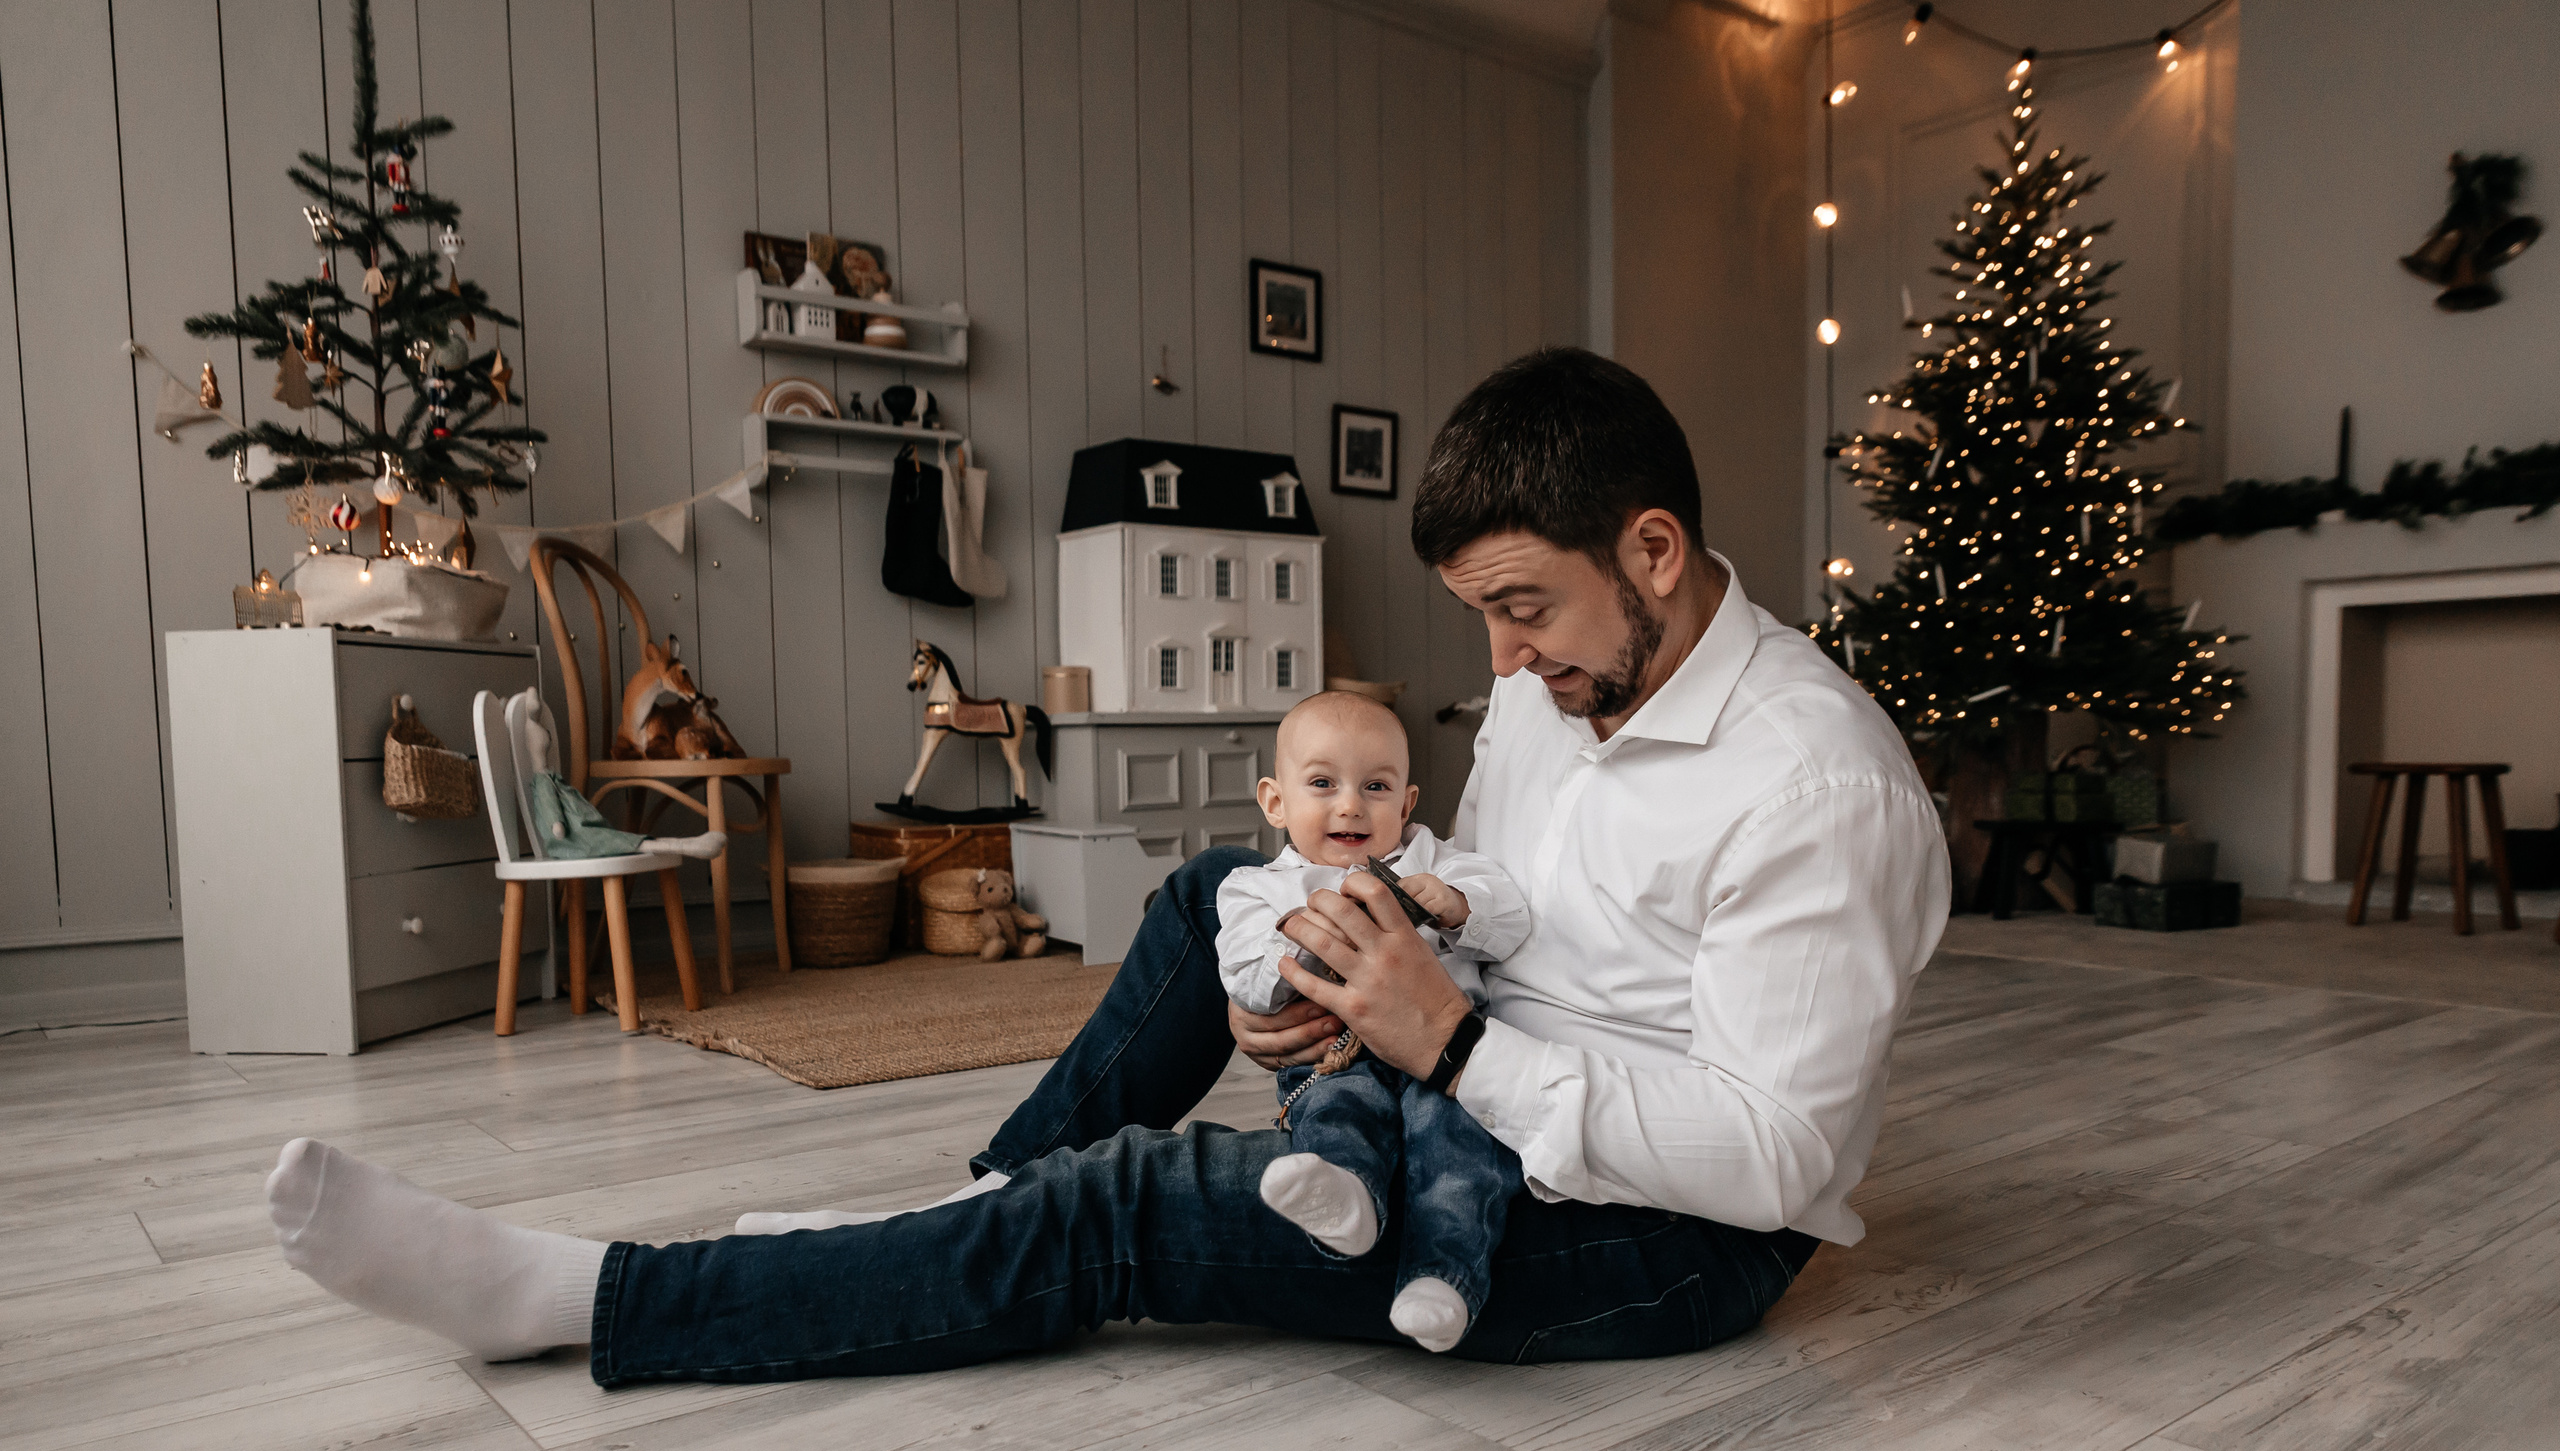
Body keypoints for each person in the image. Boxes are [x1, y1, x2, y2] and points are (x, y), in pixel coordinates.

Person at [263, 347, 1951, 1380]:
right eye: (1485, 620)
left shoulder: (1820, 786)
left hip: (1649, 1234)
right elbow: (1468, 895)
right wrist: (1328, 980)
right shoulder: (1553, 682)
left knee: (1137, 1207)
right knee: (1208, 887)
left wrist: (1447, 1040)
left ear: (1651, 550)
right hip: (1464, 1079)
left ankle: (583, 1299)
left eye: (1526, 609)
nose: (1503, 665)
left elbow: (1774, 1156)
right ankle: (977, 1201)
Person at [1217, 690, 1531, 1354]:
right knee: (1334, 1111)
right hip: (1338, 1055)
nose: (1351, 804)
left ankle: (1442, 1281)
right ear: (1275, 801)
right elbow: (1246, 976)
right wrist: (1312, 941)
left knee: (1459, 1151)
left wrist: (1455, 905)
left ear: (1408, 803)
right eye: (1323, 783)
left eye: (1376, 785)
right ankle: (1346, 1198)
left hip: (1441, 1060)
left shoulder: (1435, 863)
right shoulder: (1255, 887)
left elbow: (1511, 919)